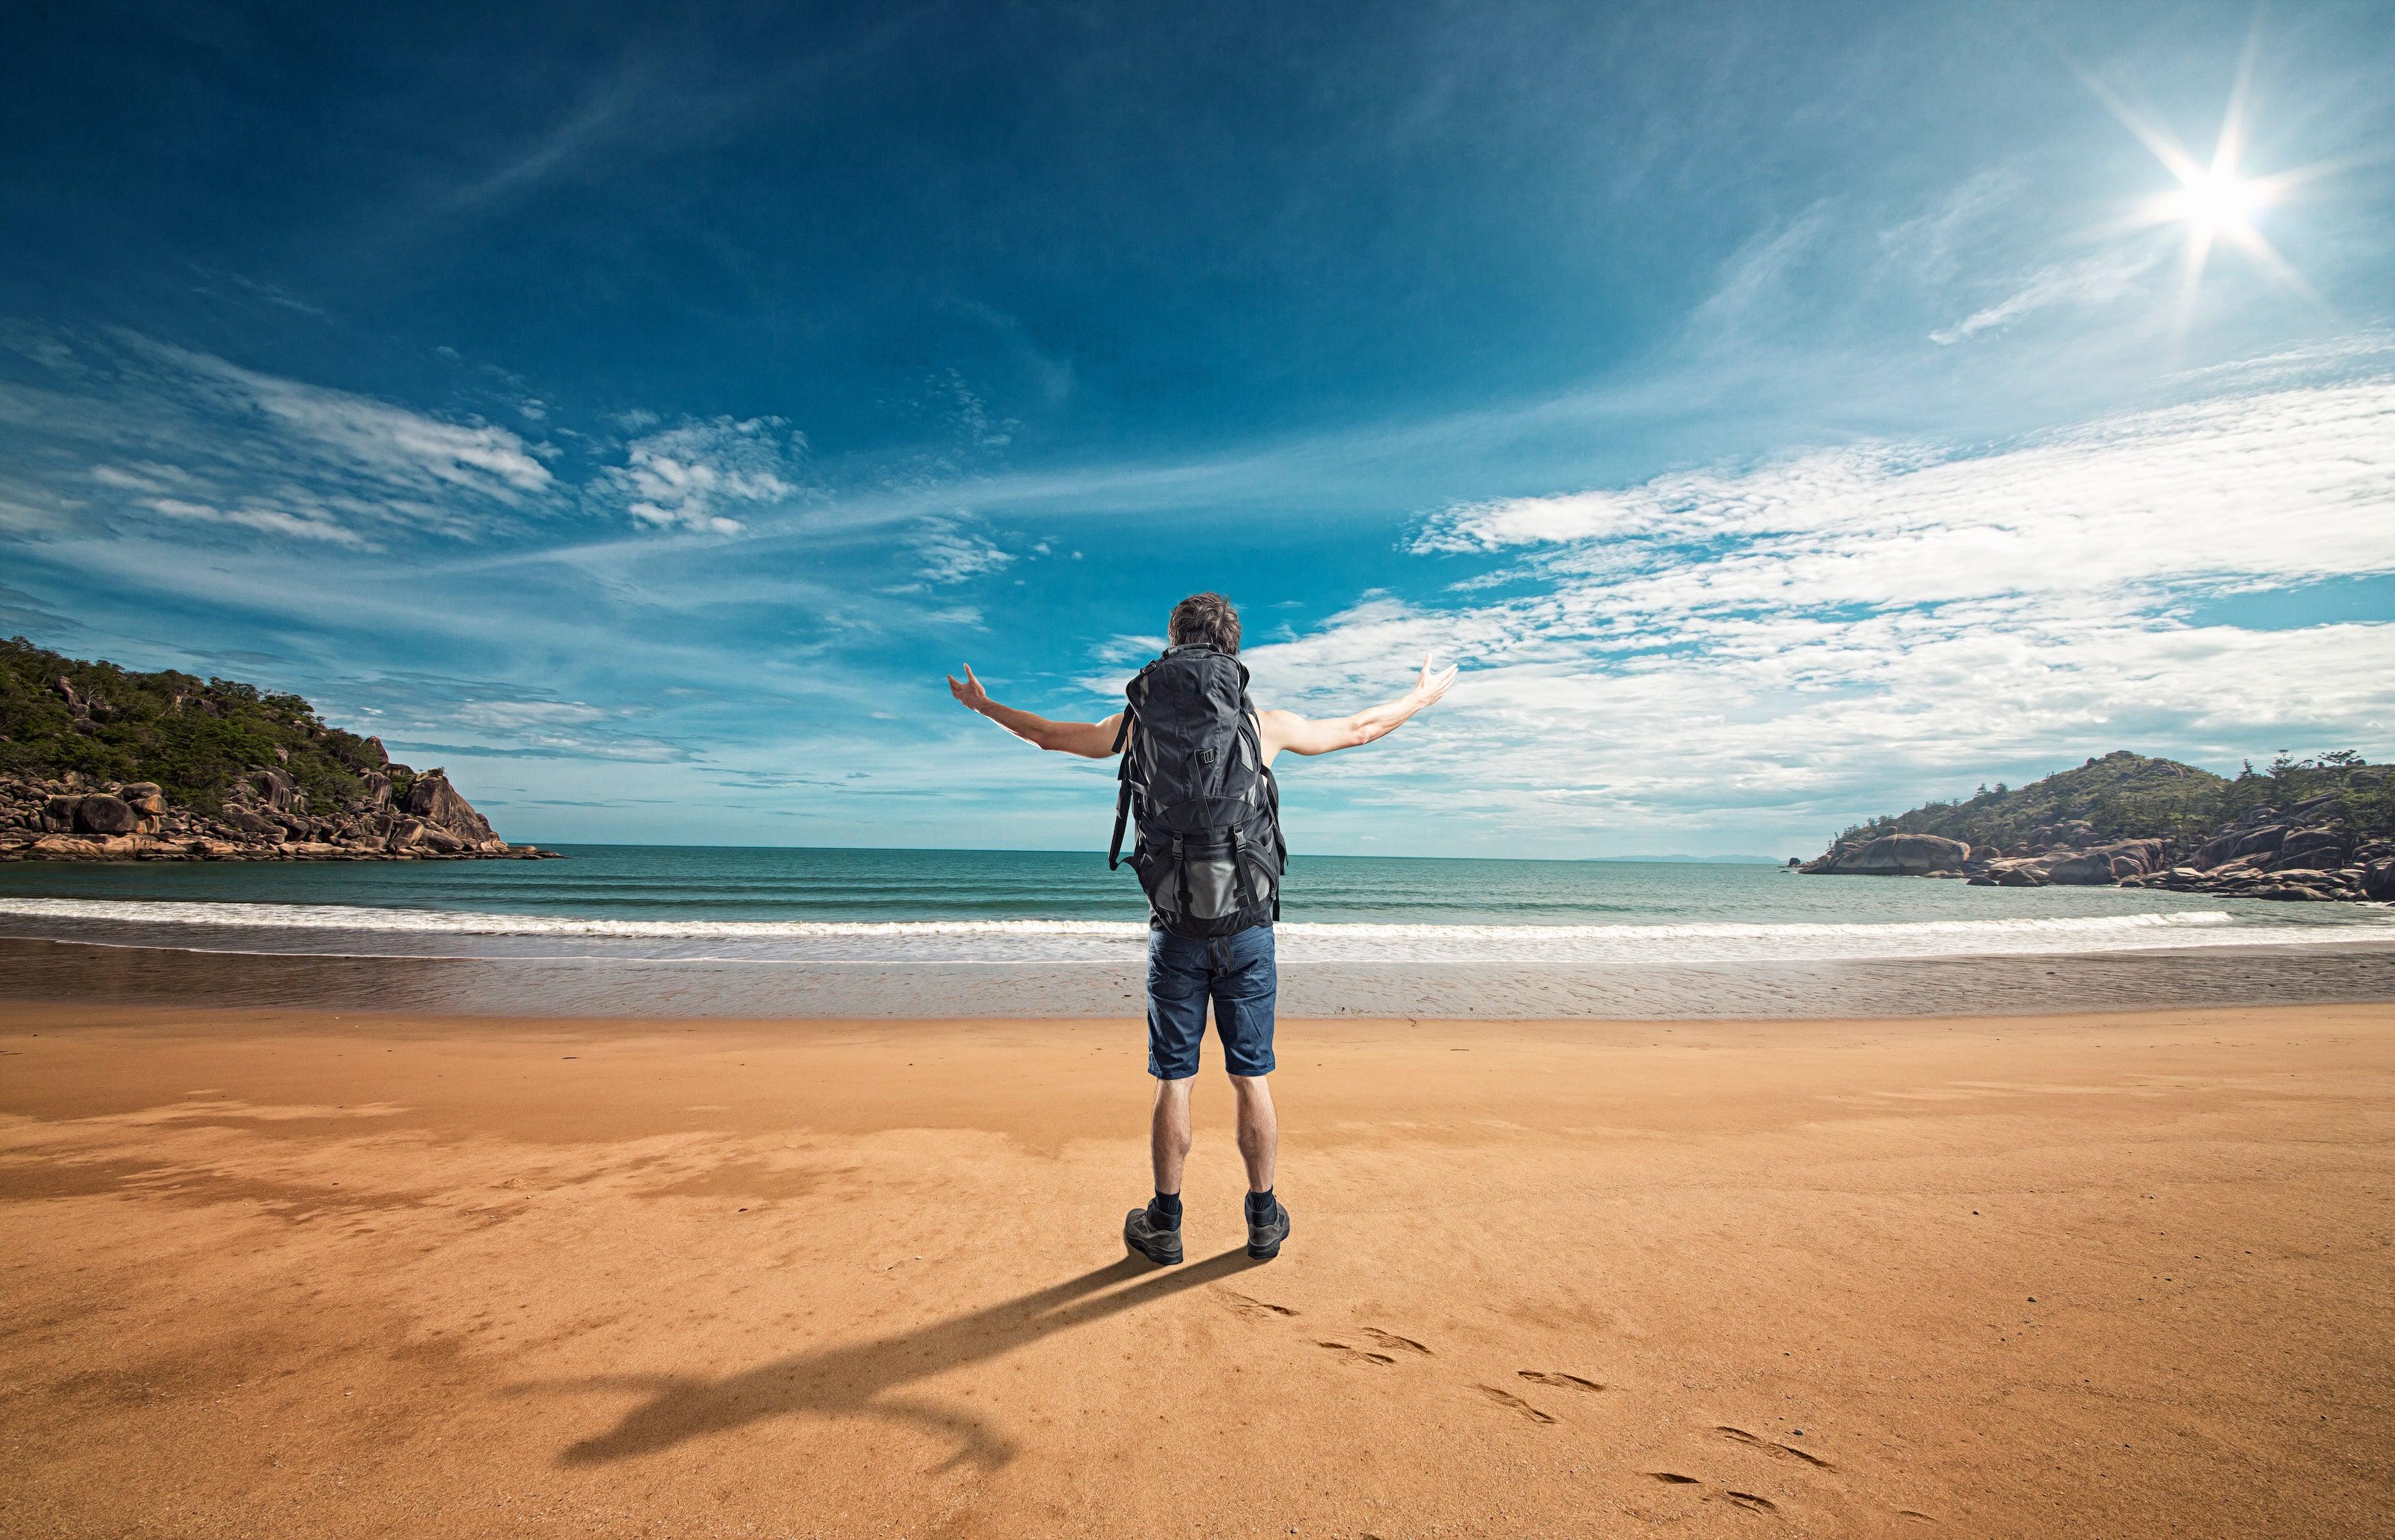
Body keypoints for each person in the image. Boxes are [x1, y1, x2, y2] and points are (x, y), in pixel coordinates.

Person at [946, 591, 1458, 1265]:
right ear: (1232, 653)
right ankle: (1262, 1218)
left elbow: (1048, 734)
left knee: (1174, 1079)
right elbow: (1359, 728)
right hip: (1247, 927)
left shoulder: (1135, 724)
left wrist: (985, 706)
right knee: (1251, 1075)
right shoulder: (1262, 725)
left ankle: (1165, 1223)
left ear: (1172, 643)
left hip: (1174, 926)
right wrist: (1418, 698)